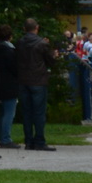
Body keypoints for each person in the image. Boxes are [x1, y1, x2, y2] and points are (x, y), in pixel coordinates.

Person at [15, 18, 56, 151]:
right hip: (38, 81)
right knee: (39, 112)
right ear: (37, 28)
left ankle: (28, 141)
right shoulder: (41, 43)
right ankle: (39, 141)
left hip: (23, 80)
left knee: (26, 112)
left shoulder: (20, 42)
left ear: (24, 29)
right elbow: (50, 61)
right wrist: (54, 55)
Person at [0, 25, 22, 149]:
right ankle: (5, 139)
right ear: (10, 36)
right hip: (9, 84)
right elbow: (14, 68)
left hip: (0, 82)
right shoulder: (9, 50)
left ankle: (2, 137)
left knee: (4, 112)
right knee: (9, 113)